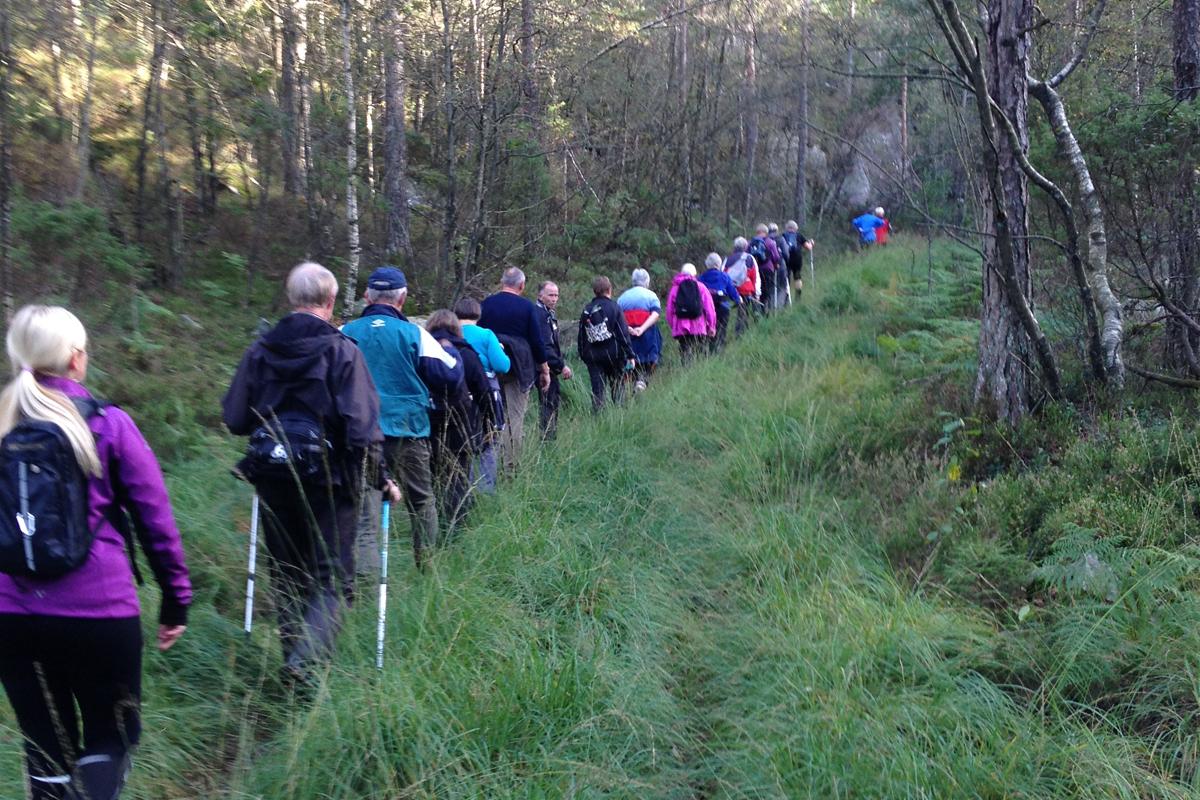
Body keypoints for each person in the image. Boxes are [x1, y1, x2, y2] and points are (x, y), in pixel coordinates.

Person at [0, 305, 192, 800]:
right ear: (76, 359)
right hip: (100, 615)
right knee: (111, 738)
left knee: (46, 749)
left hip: (12, 619)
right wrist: (176, 601)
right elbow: (155, 520)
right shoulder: (109, 425)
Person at [223, 262, 399, 680]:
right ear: (331, 301)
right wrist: (381, 480)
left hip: (271, 476)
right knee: (332, 578)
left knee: (287, 573)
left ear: (291, 298)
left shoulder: (261, 350)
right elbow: (362, 430)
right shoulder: (342, 352)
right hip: (330, 480)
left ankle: (295, 661)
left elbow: (235, 417)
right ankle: (305, 664)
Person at [341, 266, 462, 572]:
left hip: (360, 434)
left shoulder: (345, 332)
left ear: (367, 296)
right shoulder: (414, 334)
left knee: (365, 509)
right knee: (421, 502)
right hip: (409, 430)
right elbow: (451, 375)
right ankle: (427, 568)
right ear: (402, 298)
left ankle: (366, 583)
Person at [478, 268, 551, 471]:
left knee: (493, 416)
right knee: (515, 417)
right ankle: (510, 468)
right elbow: (537, 342)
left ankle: (490, 467)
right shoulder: (527, 307)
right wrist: (544, 369)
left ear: (502, 282)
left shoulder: (486, 304)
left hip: (491, 367)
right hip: (519, 368)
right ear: (522, 285)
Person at [425, 311, 491, 536]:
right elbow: (483, 390)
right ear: (456, 328)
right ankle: (457, 528)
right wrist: (489, 420)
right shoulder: (467, 353)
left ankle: (435, 524)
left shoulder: (422, 352)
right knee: (458, 478)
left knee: (435, 475)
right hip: (462, 424)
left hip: (430, 424)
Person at [454, 297, 509, 492]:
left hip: (455, 394)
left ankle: (461, 489)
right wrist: (500, 350)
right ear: (478, 315)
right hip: (486, 392)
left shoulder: (448, 334)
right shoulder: (486, 335)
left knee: (460, 443)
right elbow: (502, 365)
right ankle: (484, 490)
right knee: (489, 442)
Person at [577, 276, 635, 412]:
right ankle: (619, 415)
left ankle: (598, 418)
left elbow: (581, 336)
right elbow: (622, 333)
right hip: (614, 356)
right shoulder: (614, 307)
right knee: (617, 388)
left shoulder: (587, 310)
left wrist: (584, 355)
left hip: (593, 357)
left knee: (597, 391)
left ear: (594, 291)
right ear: (609, 289)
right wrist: (630, 354)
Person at [534, 282, 572, 438]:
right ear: (540, 295)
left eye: (556, 295)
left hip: (549, 367)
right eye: (550, 295)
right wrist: (561, 365)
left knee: (552, 402)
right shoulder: (540, 315)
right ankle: (547, 440)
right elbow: (545, 346)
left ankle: (549, 437)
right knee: (548, 404)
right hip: (542, 368)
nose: (554, 299)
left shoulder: (548, 313)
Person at [617, 268, 663, 392]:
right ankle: (642, 381)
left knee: (631, 361)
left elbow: (618, 318)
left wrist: (628, 328)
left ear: (633, 281)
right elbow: (655, 314)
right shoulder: (651, 296)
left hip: (629, 336)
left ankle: (634, 383)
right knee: (651, 358)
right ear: (647, 281)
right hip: (648, 335)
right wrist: (642, 328)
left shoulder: (622, 298)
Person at [665, 263, 717, 364]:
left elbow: (669, 310)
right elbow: (709, 308)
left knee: (685, 354)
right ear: (694, 274)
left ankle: (686, 370)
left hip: (681, 328)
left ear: (681, 273)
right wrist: (711, 326)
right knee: (700, 354)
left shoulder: (675, 289)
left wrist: (674, 326)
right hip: (699, 327)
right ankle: (700, 371)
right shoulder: (701, 287)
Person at [698, 252, 741, 353]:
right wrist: (738, 300)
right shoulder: (724, 276)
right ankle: (718, 351)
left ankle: (707, 351)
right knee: (721, 331)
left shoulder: (701, 278)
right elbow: (733, 292)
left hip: (706, 309)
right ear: (719, 264)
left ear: (707, 264)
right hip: (723, 308)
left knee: (707, 331)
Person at [725, 237, 760, 333]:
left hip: (732, 290)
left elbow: (723, 274)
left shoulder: (728, 259)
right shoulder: (749, 258)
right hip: (746, 289)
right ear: (745, 247)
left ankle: (735, 330)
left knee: (734, 311)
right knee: (743, 311)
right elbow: (754, 276)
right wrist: (756, 292)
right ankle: (741, 332)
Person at [750, 224, 783, 312]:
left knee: (756, 290)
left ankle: (756, 310)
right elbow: (776, 257)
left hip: (754, 270)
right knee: (767, 290)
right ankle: (765, 310)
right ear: (766, 232)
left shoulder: (751, 242)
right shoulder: (770, 242)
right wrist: (776, 264)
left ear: (757, 232)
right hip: (768, 269)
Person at [782, 220, 814, 298]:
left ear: (787, 227)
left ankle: (786, 297)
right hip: (797, 259)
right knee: (797, 276)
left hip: (787, 259)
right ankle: (798, 296)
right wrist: (811, 243)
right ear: (795, 228)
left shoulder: (783, 236)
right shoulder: (799, 235)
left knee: (787, 277)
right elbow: (808, 247)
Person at [768, 223, 792, 308]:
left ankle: (771, 306)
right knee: (782, 286)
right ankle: (780, 306)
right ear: (777, 230)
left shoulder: (766, 240)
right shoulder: (781, 239)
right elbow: (786, 253)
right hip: (780, 265)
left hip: (769, 266)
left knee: (771, 287)